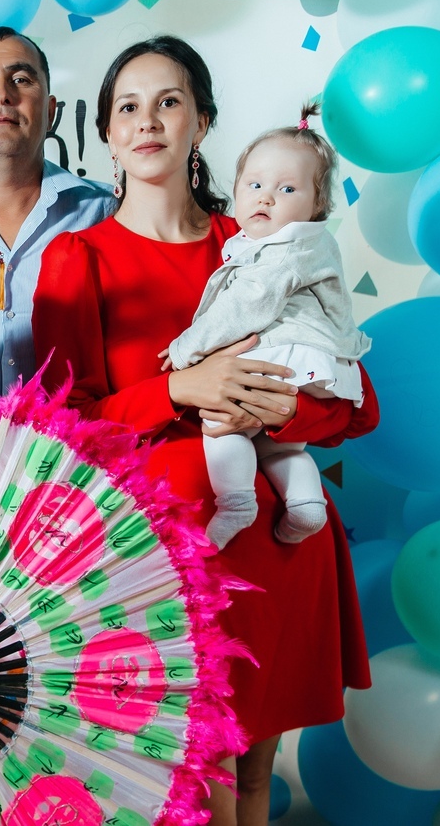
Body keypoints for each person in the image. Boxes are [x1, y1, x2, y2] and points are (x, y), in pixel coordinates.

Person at [32, 37, 378, 826]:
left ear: (203, 121)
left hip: (282, 548)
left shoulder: (263, 240)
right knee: (194, 783)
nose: (148, 120)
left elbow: (355, 405)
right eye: (128, 107)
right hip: (165, 559)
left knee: (254, 779)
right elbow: (59, 426)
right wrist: (176, 389)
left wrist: (279, 409)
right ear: (107, 133)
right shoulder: (79, 257)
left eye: (169, 102)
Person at [161, 103, 371, 548]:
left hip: (284, 355)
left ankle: (236, 503)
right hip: (320, 367)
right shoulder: (302, 245)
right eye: (254, 184)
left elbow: (248, 304)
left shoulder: (284, 251)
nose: (266, 197)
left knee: (221, 423)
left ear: (317, 206)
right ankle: (307, 506)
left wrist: (186, 348)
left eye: (287, 189)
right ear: (236, 187)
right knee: (279, 447)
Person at [0, 26, 115, 416]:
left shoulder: (107, 212)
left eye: (21, 79)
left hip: (77, 450)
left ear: (50, 111)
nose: (1, 94)